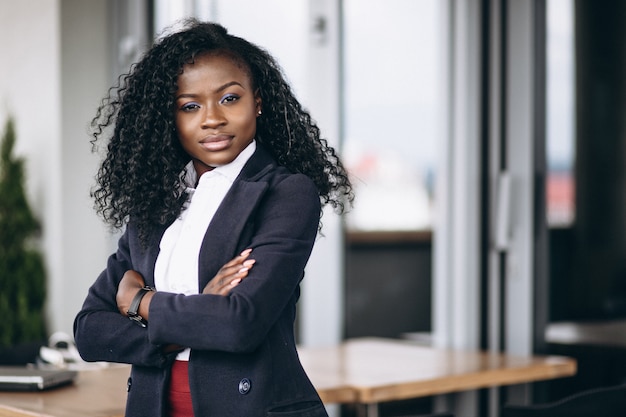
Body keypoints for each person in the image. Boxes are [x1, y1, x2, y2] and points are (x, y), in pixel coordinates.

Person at [73, 19, 352, 417]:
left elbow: (239, 324)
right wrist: (198, 310)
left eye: (229, 99)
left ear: (257, 100)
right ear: (169, 117)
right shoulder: (155, 202)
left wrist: (140, 301)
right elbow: (90, 331)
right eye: (190, 106)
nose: (211, 119)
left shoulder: (285, 193)